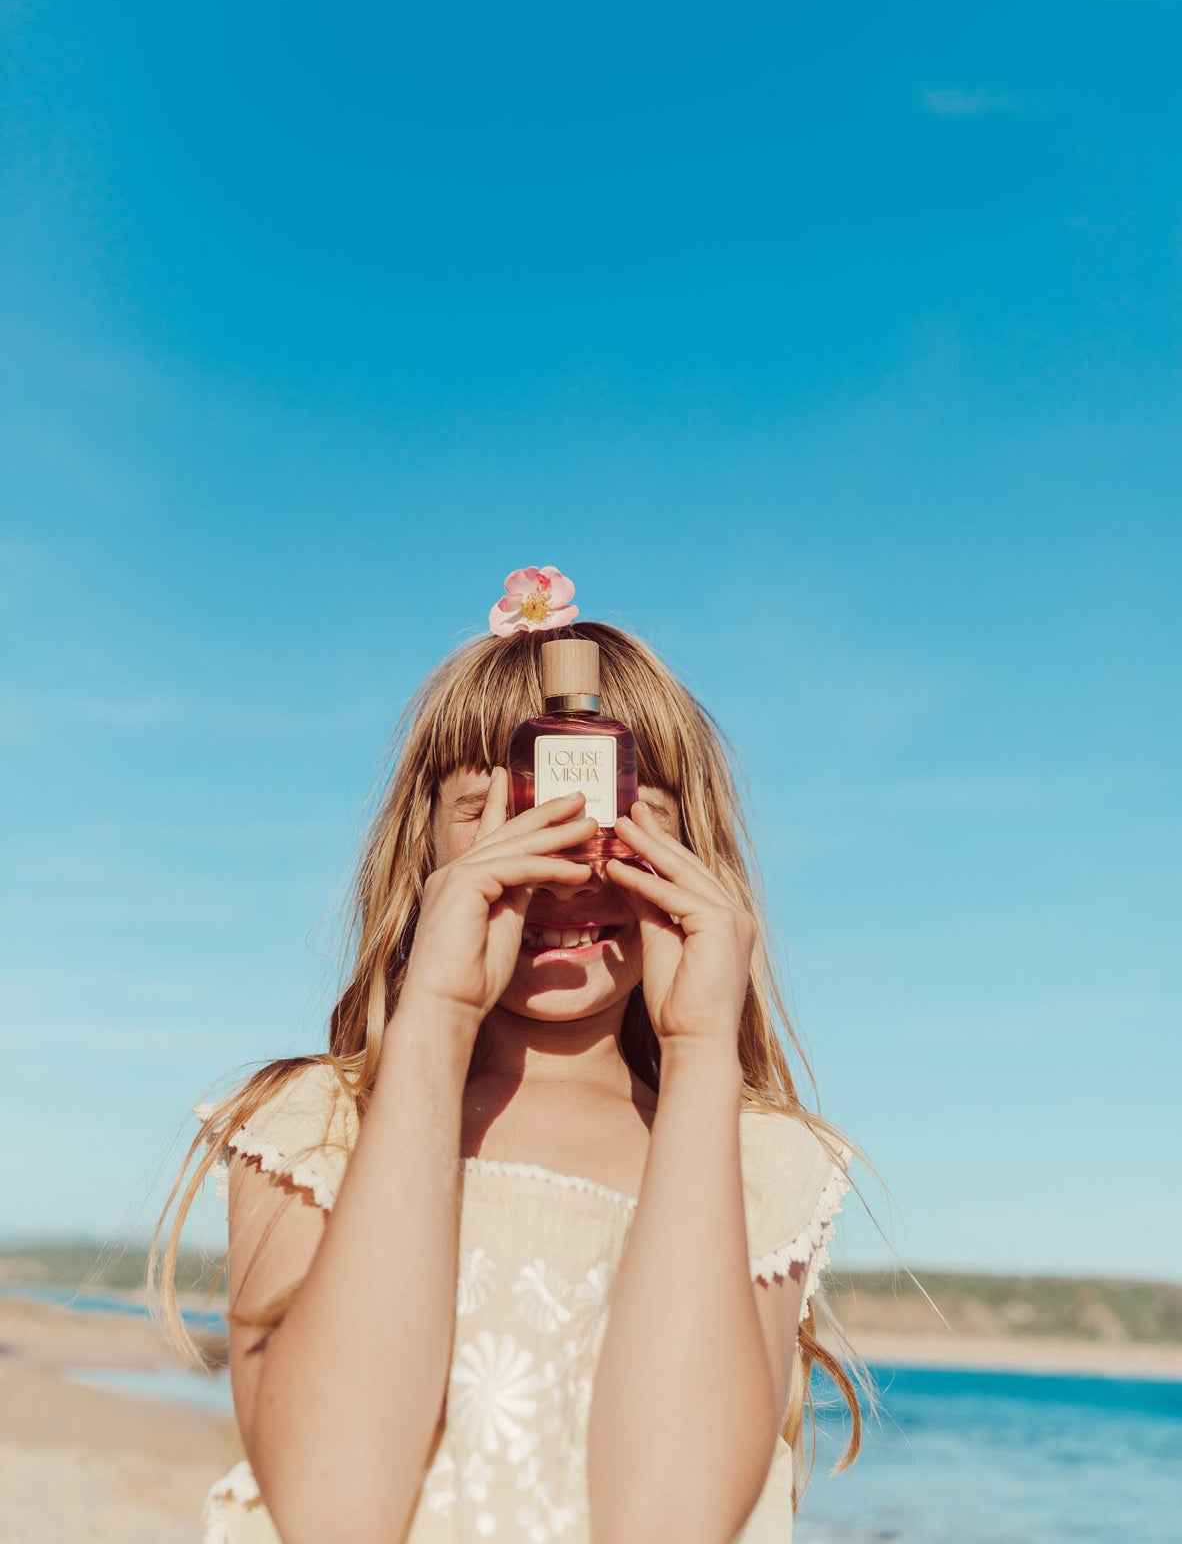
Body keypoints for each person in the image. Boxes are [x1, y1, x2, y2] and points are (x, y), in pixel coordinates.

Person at [152, 578, 863, 1544]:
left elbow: (672, 1518)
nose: (559, 860)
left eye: (616, 812)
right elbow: (332, 1510)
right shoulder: (311, 1126)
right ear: (421, 850)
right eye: (497, 810)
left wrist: (700, 1055)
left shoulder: (758, 1162)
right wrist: (436, 1021)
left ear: (695, 855)